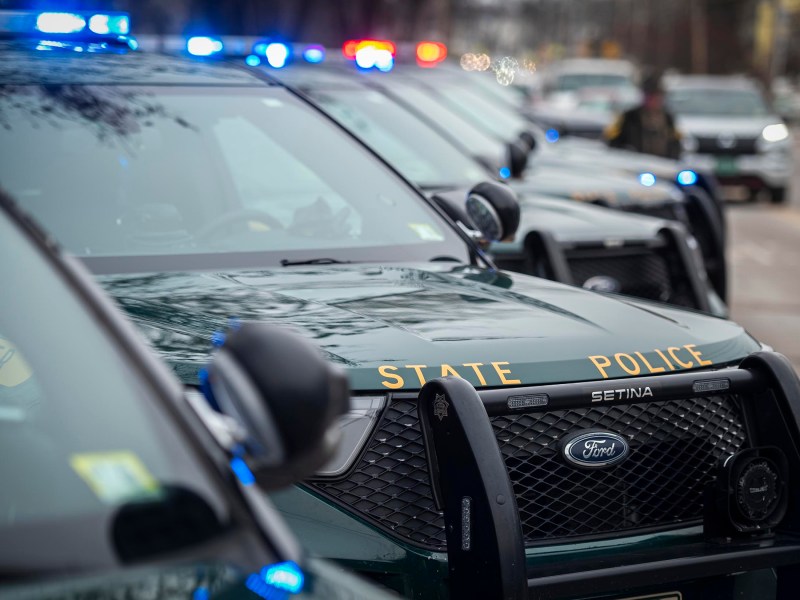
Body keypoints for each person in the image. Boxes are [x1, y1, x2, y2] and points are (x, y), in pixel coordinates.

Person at [605, 72, 682, 159]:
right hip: (636, 164)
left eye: (657, 96)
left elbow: (676, 142)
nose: (654, 101)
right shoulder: (630, 117)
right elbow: (613, 141)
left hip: (663, 164)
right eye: (650, 97)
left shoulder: (667, 118)